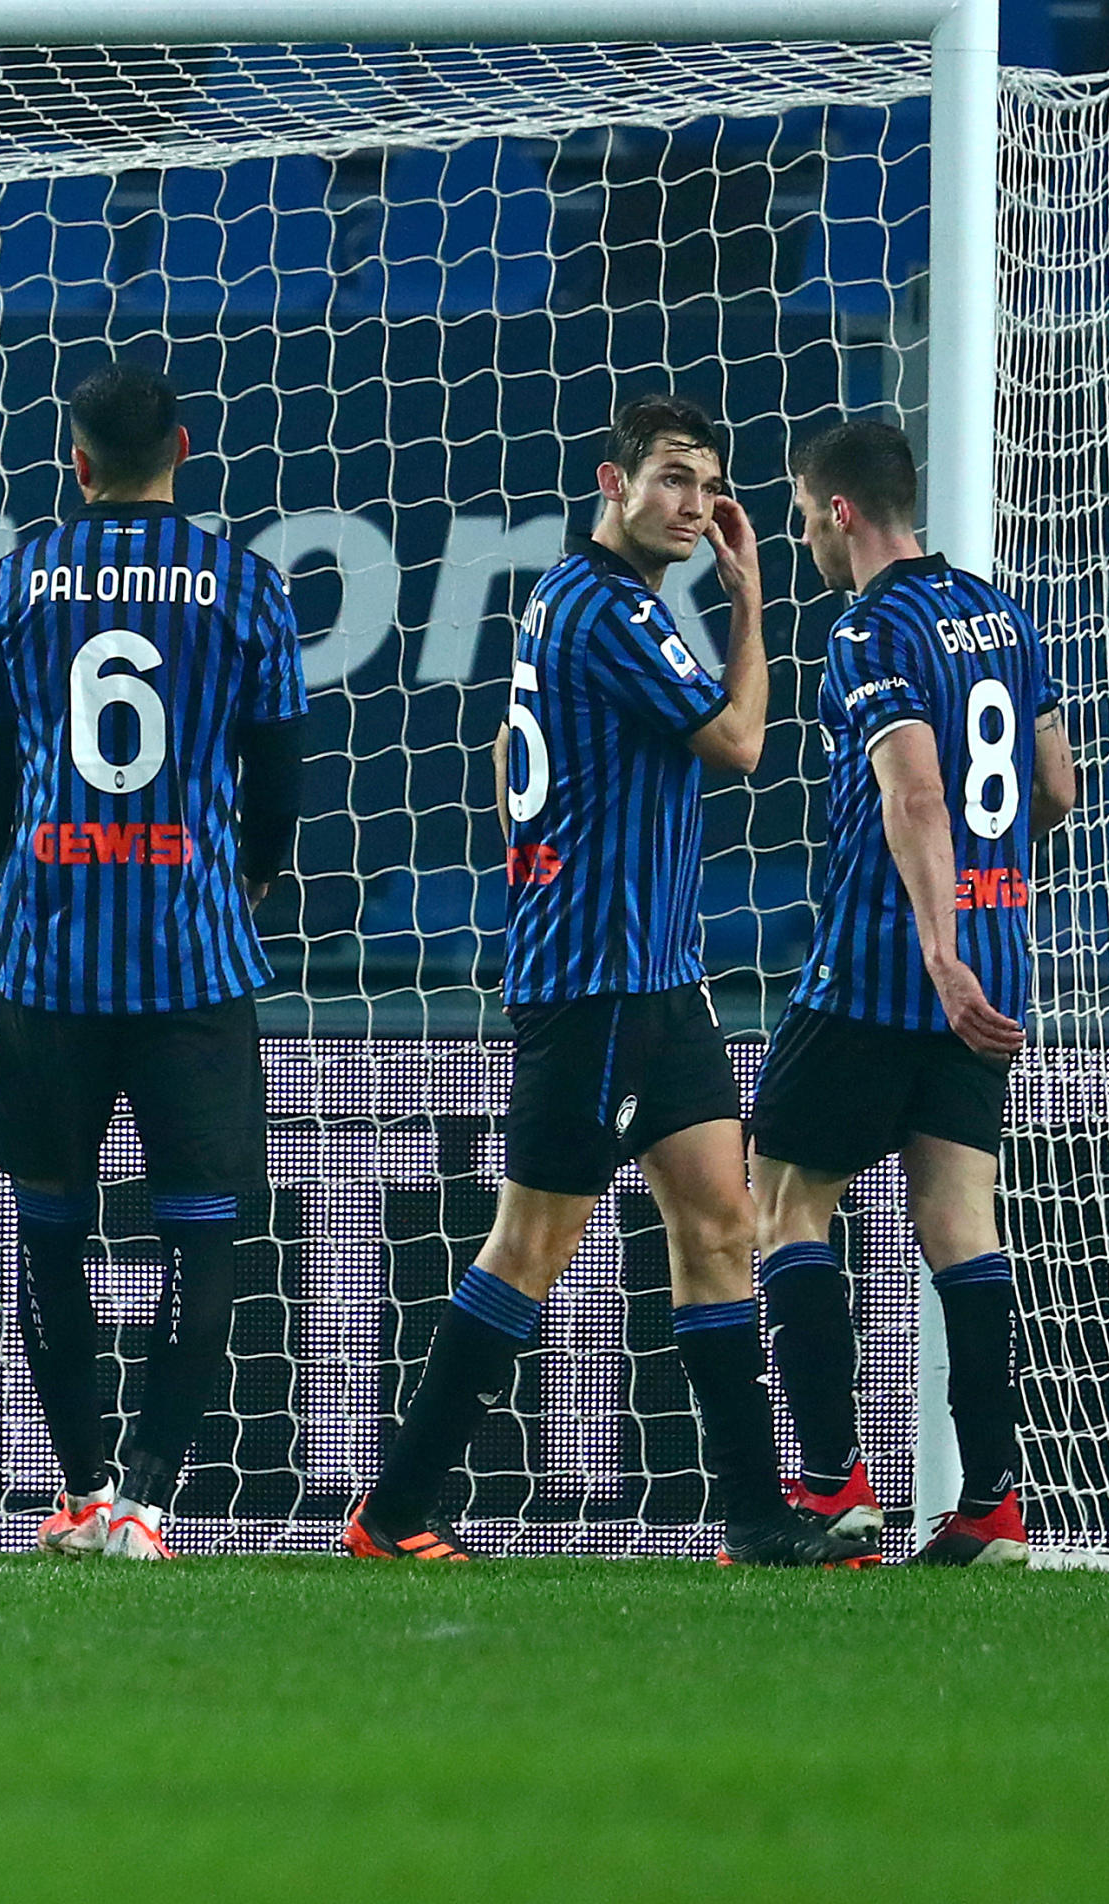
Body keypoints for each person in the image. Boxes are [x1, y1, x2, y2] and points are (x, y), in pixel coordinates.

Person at [343, 392, 875, 1567]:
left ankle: (750, 1518)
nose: (695, 503)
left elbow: (501, 751)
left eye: (709, 483)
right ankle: (393, 1508)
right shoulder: (612, 609)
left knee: (721, 1223)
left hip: (655, 978)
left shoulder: (574, 599)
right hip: (599, 985)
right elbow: (739, 745)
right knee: (528, 1243)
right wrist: (751, 604)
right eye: (674, 478)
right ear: (612, 483)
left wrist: (543, 864)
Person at [0, 363, 305, 1563]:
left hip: (47, 967)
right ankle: (148, 1496)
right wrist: (248, 883)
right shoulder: (249, 587)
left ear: (73, 462)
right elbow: (281, 775)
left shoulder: (18, 583)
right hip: (194, 966)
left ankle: (83, 1489)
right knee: (202, 1234)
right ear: (183, 447)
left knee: (50, 1232)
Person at [749, 417, 1074, 1567]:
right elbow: (1057, 787)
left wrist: (935, 945)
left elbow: (918, 796)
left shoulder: (867, 628)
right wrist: (980, 910)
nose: (801, 536)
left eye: (801, 512)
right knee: (961, 1225)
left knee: (783, 1203)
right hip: (999, 964)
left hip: (887, 967)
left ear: (841, 510)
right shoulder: (1002, 610)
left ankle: (836, 1489)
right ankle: (991, 1504)